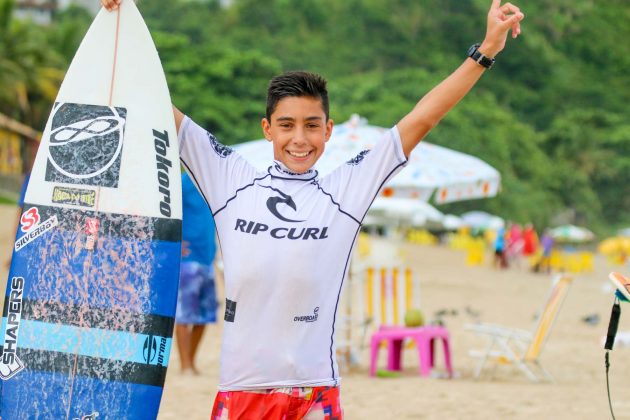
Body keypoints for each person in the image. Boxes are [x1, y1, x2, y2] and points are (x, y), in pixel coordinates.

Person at [101, 0, 524, 417]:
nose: (299, 138)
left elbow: (421, 120)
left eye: (311, 125)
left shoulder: (345, 192)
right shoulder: (230, 178)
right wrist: (120, 25)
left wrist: (485, 51)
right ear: (267, 129)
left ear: (329, 131)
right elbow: (157, 105)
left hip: (315, 394)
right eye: (286, 125)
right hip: (242, 391)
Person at [176, 171, 219, 375]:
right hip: (187, 259)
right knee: (184, 315)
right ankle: (185, 366)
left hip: (207, 258)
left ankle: (192, 362)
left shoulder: (212, 184)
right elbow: (169, 212)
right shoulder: (181, 183)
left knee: (205, 317)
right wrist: (174, 242)